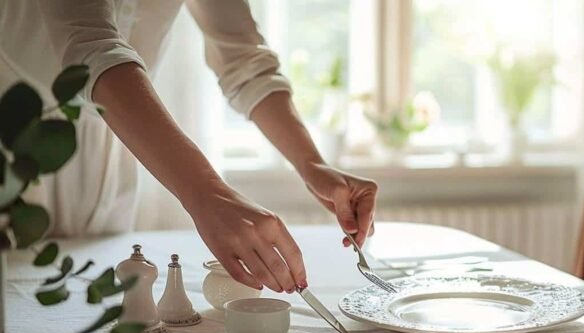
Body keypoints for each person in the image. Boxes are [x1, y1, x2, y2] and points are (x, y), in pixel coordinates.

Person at [0, 0, 378, 294]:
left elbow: (245, 61)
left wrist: (312, 164)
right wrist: (208, 194)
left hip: (122, 144)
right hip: (15, 146)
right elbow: (90, 48)